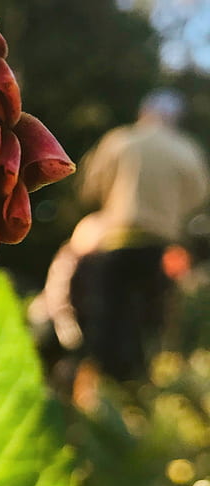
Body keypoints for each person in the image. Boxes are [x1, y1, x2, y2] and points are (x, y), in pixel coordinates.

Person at [70, 89, 209, 381]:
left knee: (109, 318)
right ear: (176, 118)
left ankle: (104, 389)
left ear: (143, 112)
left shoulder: (119, 140)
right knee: (151, 323)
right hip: (161, 248)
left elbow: (90, 187)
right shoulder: (186, 150)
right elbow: (199, 196)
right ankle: (141, 387)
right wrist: (173, 213)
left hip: (115, 242)